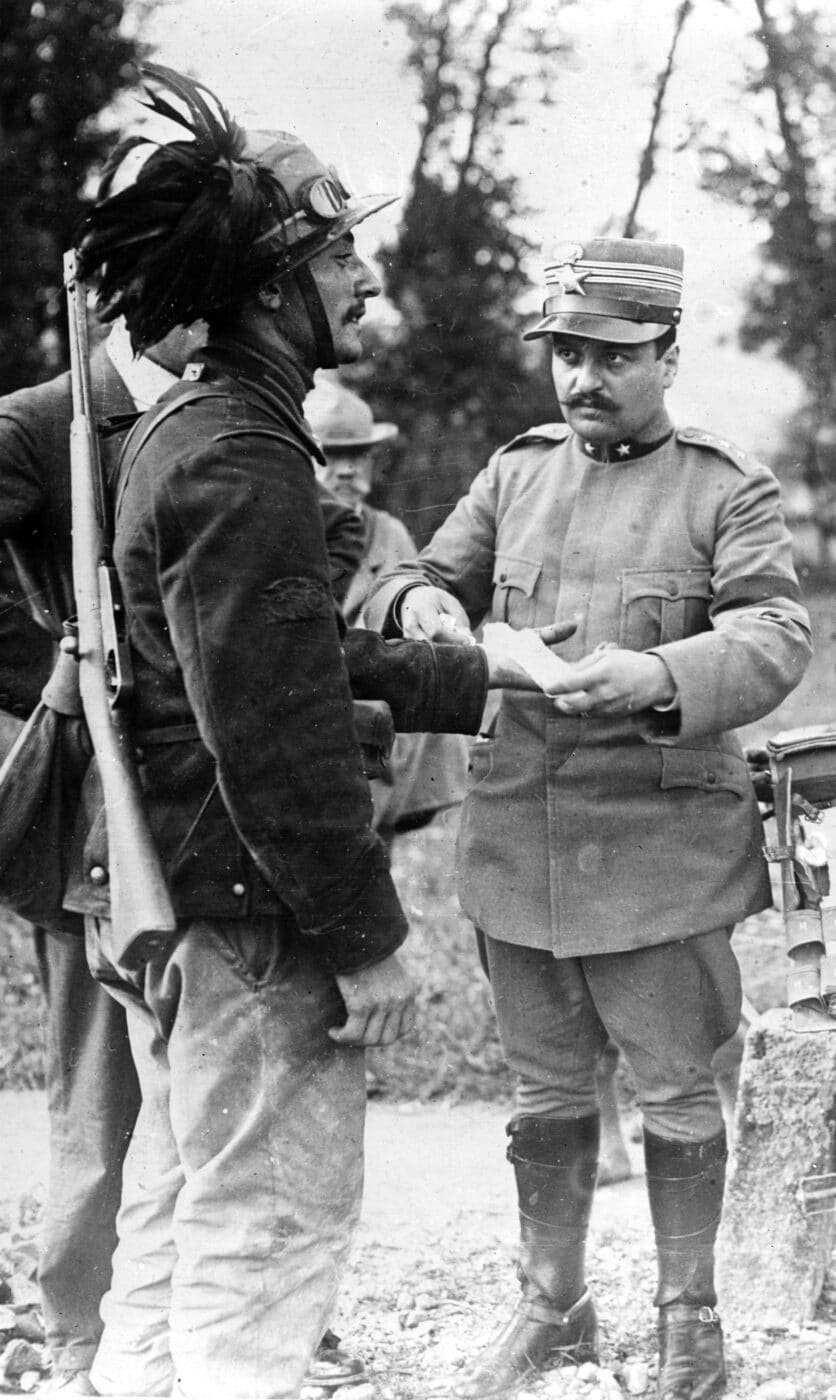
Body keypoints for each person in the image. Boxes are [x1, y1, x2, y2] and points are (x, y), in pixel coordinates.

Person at [67, 65, 563, 1400]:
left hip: (180, 889)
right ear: (268, 283)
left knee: (175, 1228)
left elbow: (281, 658)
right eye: (340, 253)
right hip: (247, 910)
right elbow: (276, 733)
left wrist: (479, 679)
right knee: (268, 1231)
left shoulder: (199, 432)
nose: (367, 282)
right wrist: (369, 942)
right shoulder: (241, 458)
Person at [365, 237, 812, 1400]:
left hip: (659, 846)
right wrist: (426, 606)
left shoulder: (726, 488)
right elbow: (413, 578)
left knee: (670, 1089)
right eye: (564, 352)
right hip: (520, 838)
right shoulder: (513, 474)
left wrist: (659, 673)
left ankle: (685, 1322)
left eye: (610, 354)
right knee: (544, 1090)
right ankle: (550, 1305)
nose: (580, 377)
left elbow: (773, 635)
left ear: (666, 353)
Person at [306, 373, 469, 839]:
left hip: (372, 739)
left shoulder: (388, 534)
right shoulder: (285, 535)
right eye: (330, 457)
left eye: (359, 455)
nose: (347, 471)